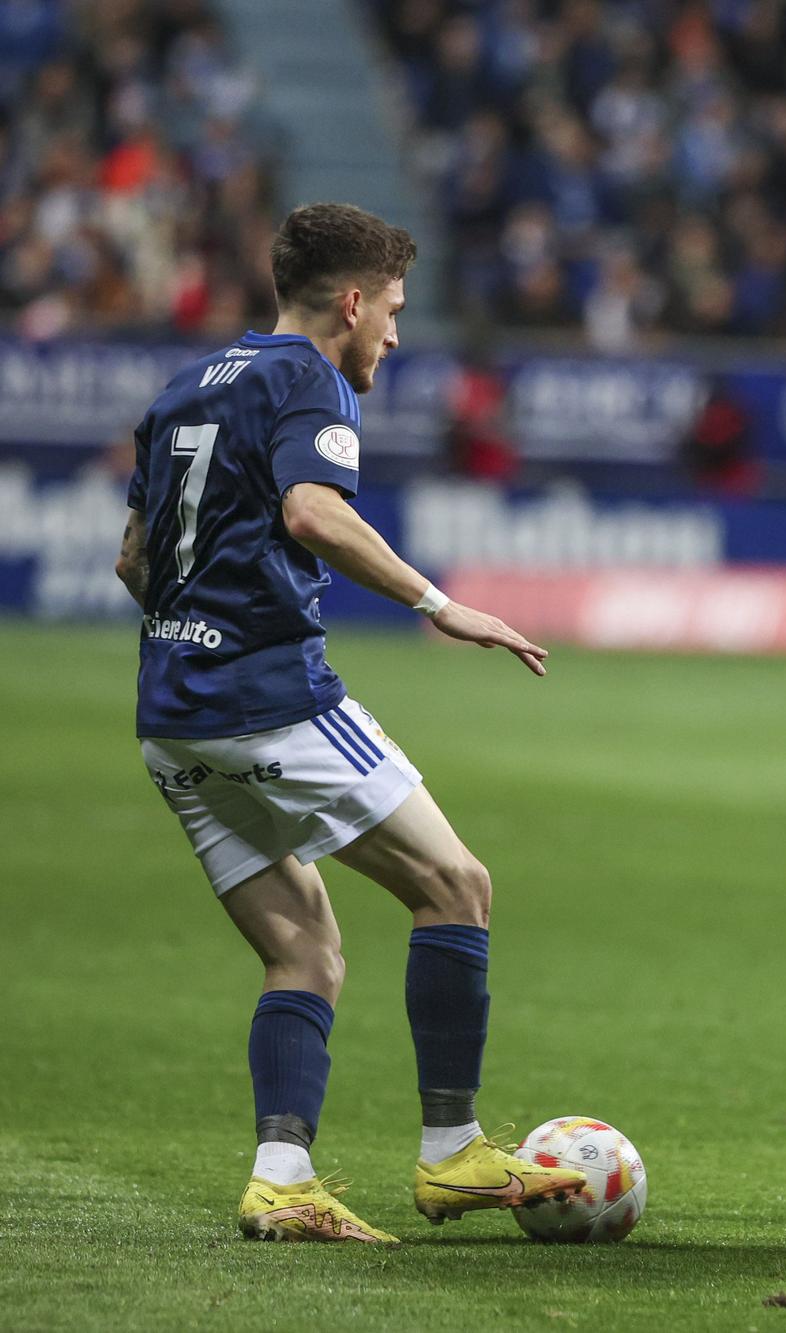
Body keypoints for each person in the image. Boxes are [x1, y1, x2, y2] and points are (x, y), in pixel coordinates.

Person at [115, 202, 586, 1244]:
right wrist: (438, 603)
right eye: (395, 312)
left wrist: (192, 633)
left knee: (305, 951)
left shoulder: (185, 387)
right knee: (456, 885)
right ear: (354, 299)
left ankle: (282, 1179)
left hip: (172, 713)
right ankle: (452, 1154)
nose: (396, 336)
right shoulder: (308, 379)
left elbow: (132, 560)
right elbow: (313, 512)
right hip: (267, 695)